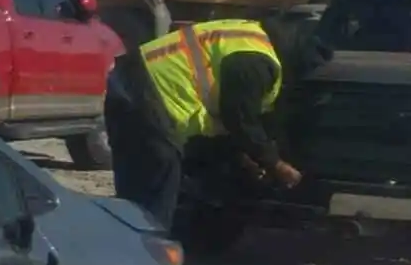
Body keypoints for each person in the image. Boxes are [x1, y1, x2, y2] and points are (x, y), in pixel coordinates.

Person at [103, 14, 302, 230]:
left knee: (132, 194)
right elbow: (239, 118)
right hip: (151, 98)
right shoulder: (259, 63)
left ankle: (120, 248)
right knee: (156, 198)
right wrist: (275, 163)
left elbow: (229, 118)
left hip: (125, 84)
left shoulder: (246, 34)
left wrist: (245, 155)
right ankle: (148, 256)